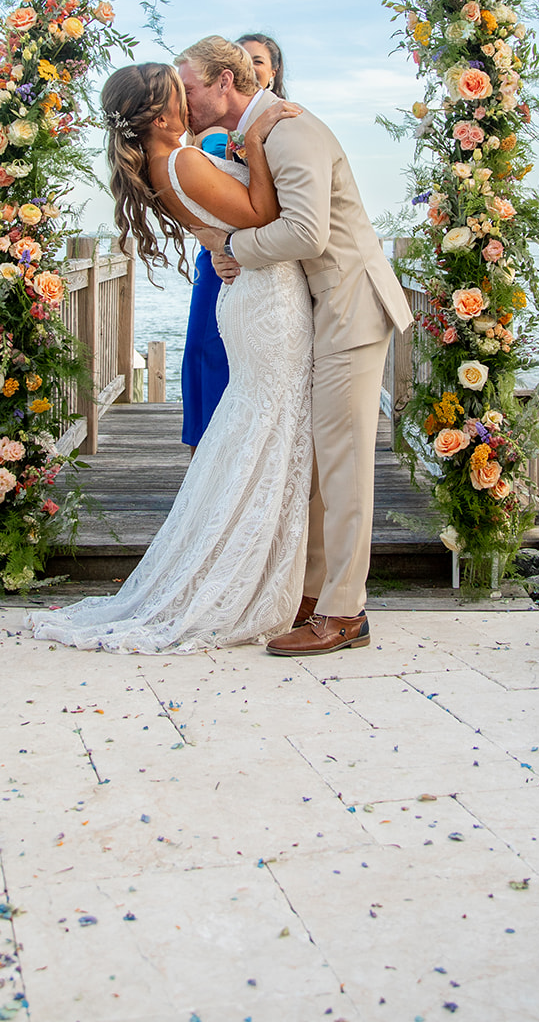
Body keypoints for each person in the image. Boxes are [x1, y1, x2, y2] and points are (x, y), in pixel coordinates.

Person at [29, 54, 311, 653]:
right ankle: (244, 579)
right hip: (267, 303)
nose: (188, 101)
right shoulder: (180, 157)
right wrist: (255, 141)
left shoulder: (165, 164)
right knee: (264, 427)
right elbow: (264, 213)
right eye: (177, 95)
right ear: (159, 115)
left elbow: (221, 224)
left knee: (254, 432)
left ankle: (261, 570)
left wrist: (220, 229)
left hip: (255, 295)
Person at [175, 36, 415, 659]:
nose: (184, 99)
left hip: (351, 305)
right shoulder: (256, 134)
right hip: (321, 309)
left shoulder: (291, 130)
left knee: (343, 463)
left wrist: (234, 252)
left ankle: (345, 611)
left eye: (191, 87)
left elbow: (306, 232)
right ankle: (311, 594)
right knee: (314, 459)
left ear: (225, 82)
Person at [180, 31, 287, 450]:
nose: (251, 67)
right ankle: (206, 449)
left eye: (258, 61)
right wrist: (212, 242)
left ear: (273, 73)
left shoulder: (281, 126)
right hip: (222, 260)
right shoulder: (210, 133)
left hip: (269, 259)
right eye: (244, 60)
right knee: (208, 351)